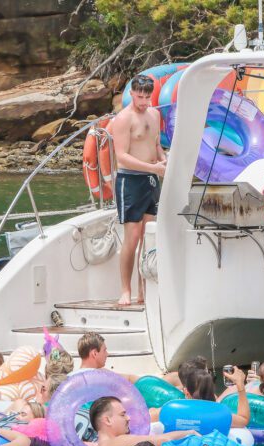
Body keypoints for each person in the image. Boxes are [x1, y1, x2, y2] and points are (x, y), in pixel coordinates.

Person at [111, 74, 166, 306]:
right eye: (139, 96)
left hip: (151, 180)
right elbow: (121, 156)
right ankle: (126, 290)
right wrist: (152, 167)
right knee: (132, 237)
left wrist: (163, 160)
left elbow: (155, 144)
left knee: (147, 236)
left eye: (147, 97)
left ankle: (144, 289)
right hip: (130, 181)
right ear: (131, 94)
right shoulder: (124, 119)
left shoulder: (154, 115)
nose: (143, 101)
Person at [90, 396, 194, 446]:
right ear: (107, 420)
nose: (128, 418)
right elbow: (163, 440)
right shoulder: (117, 441)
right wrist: (189, 432)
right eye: (122, 415)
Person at [183, 366, 250, 428]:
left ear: (186, 392)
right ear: (212, 390)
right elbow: (244, 419)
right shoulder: (220, 414)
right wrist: (240, 384)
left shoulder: (175, 411)